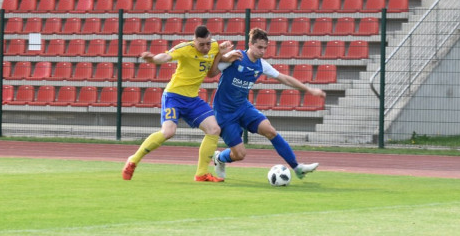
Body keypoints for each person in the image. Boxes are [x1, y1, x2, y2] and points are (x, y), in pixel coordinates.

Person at [122, 25, 233, 182]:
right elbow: (166, 57)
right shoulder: (184, 48)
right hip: (174, 96)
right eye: (201, 44)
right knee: (168, 132)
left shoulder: (214, 46)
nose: (205, 47)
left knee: (214, 129)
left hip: (192, 99)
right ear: (194, 41)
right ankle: (133, 160)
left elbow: (214, 65)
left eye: (208, 43)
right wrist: (153, 59)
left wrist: (224, 54)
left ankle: (201, 174)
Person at [210, 28, 323, 182]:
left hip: (243, 107)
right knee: (239, 154)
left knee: (270, 130)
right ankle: (220, 158)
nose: (263, 51)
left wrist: (309, 89)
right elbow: (211, 73)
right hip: (224, 112)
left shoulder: (261, 65)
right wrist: (220, 55)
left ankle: (297, 168)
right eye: (259, 47)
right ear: (250, 44)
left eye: (265, 48)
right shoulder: (235, 57)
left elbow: (284, 78)